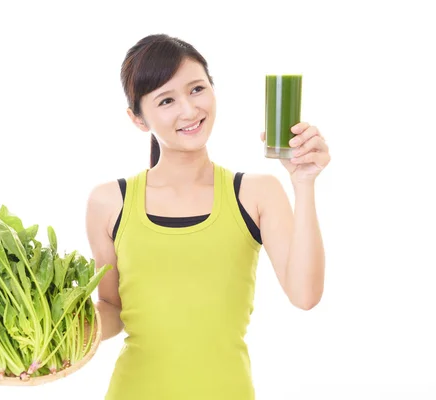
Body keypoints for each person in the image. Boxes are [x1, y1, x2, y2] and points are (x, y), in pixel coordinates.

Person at [85, 33, 330, 400]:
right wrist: (61, 336)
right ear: (138, 119)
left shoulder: (256, 193)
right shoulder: (109, 202)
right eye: (166, 100)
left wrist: (304, 183)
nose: (189, 110)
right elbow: (113, 309)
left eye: (197, 89)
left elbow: (305, 295)